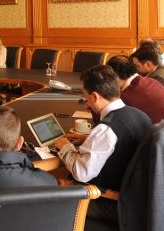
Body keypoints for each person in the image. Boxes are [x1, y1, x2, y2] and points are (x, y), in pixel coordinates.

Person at [55, 65, 151, 224]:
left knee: (51, 196)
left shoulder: (105, 130)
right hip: (137, 199)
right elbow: (120, 147)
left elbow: (82, 172)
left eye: (86, 98)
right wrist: (88, 139)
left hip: (110, 201)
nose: (86, 105)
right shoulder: (139, 114)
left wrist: (65, 146)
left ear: (95, 96)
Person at [106, 55, 164, 123]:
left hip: (159, 133)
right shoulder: (151, 81)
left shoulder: (127, 95)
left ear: (115, 77)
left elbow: (106, 118)